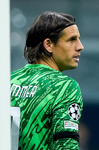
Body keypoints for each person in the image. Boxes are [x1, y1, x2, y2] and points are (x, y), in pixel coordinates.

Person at [10, 11, 84, 150]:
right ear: (48, 44)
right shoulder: (64, 87)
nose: (80, 46)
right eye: (71, 40)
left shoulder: (6, 82)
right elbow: (66, 147)